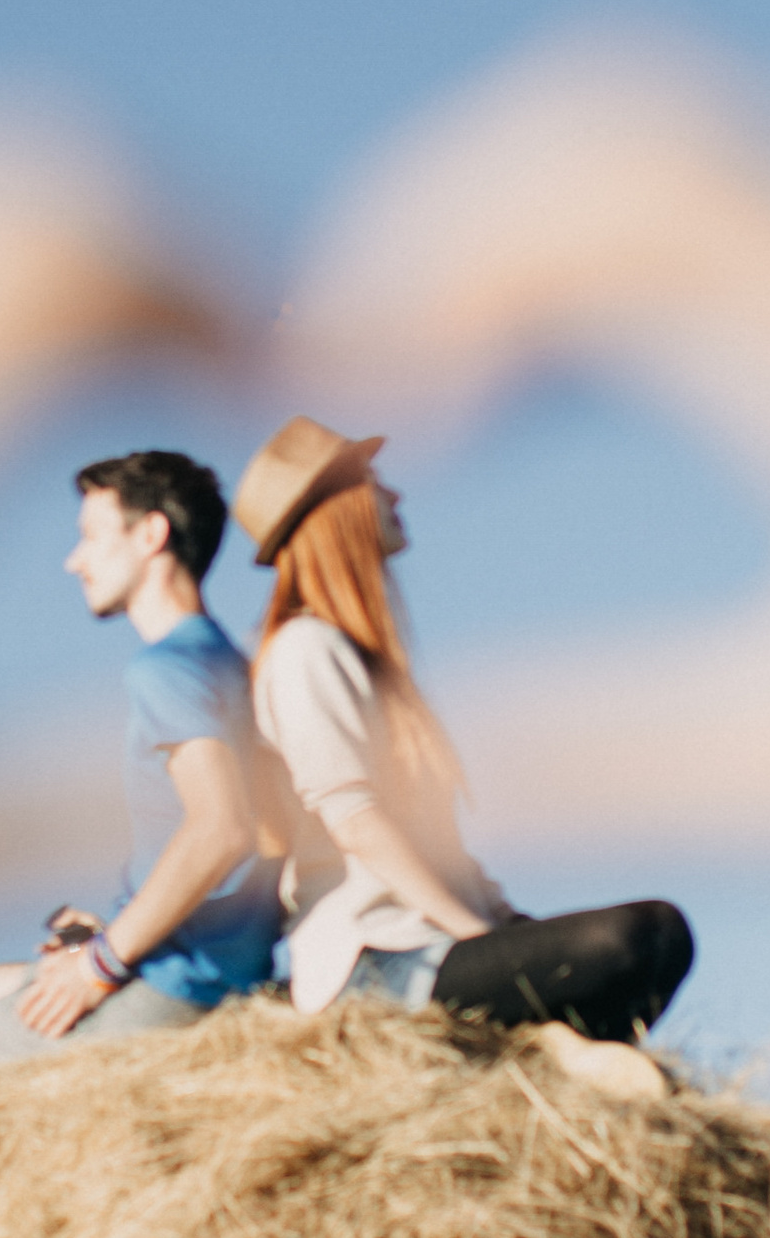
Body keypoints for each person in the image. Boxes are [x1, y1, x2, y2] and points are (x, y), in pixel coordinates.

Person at [240, 416, 693, 1043]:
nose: (394, 494)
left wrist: (507, 922)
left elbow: (435, 844)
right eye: (373, 482)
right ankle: (553, 1045)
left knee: (661, 943)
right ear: (333, 510)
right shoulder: (303, 651)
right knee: (641, 935)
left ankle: (557, 1053)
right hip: (378, 962)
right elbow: (356, 822)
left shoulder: (367, 665)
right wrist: (479, 937)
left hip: (430, 940)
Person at [0, 450, 282, 1067]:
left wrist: (101, 962)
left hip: (180, 984)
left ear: (151, 534)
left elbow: (222, 829)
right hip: (213, 958)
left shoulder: (169, 670)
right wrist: (106, 930)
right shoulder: (228, 661)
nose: (75, 560)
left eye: (91, 536)